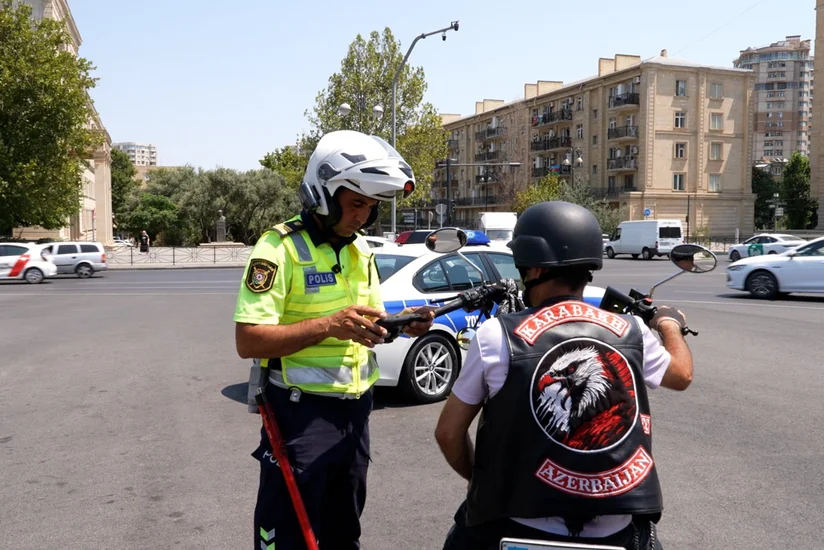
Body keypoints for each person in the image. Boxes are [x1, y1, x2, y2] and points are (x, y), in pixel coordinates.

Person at [434, 201, 694, 550]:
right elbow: (681, 375)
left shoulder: (497, 335)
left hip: (516, 521)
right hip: (618, 524)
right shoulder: (633, 330)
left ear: (534, 267)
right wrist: (668, 323)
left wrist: (481, 480)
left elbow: (448, 433)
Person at [234, 130, 435, 550]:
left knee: (345, 531)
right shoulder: (279, 249)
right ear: (324, 194)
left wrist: (402, 324)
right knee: (289, 533)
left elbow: (365, 324)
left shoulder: (361, 249)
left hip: (357, 413)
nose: (363, 216)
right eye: (356, 202)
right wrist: (329, 324)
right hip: (300, 415)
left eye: (372, 206)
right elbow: (249, 341)